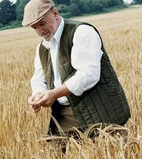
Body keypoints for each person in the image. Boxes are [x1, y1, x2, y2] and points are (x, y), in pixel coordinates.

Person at [23, 0, 131, 146]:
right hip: (65, 113)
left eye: (42, 23)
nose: (40, 31)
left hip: (99, 107)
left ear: (55, 13)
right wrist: (38, 95)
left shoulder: (81, 32)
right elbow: (39, 77)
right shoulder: (42, 47)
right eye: (34, 27)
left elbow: (89, 74)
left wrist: (54, 94)